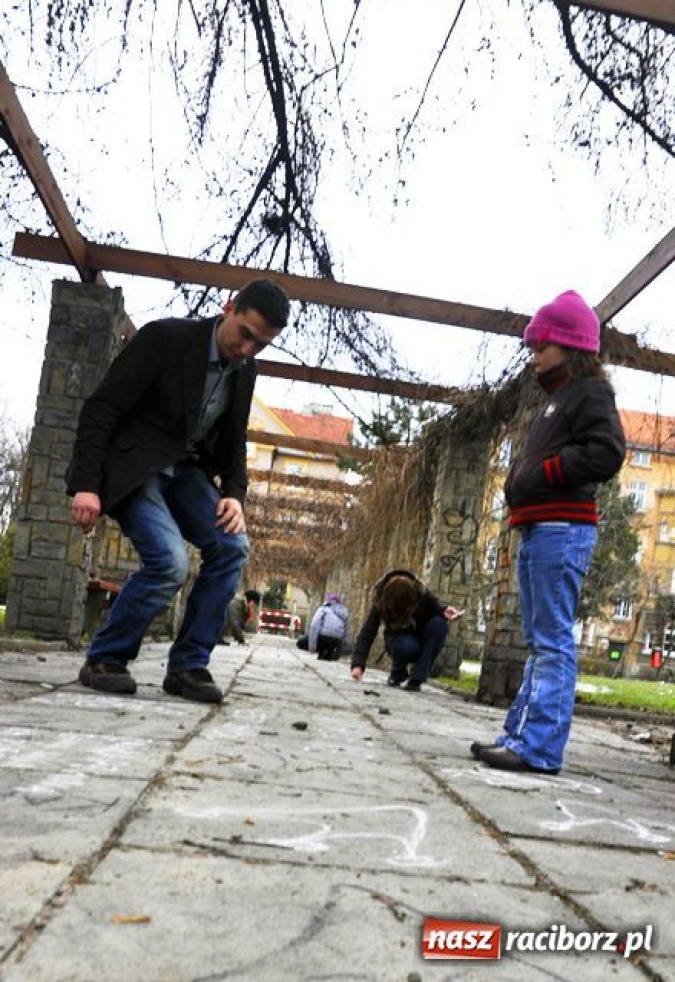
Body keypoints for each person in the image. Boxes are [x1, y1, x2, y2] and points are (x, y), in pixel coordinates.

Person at [67, 278, 290, 704]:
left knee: (233, 546)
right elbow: (102, 409)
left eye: (260, 345)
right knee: (170, 562)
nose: (247, 350)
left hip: (186, 472)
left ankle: (188, 666)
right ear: (229, 307)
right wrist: (86, 486)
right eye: (245, 335)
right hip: (135, 466)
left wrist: (234, 495)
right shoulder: (165, 338)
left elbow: (234, 441)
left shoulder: (246, 371)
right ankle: (105, 657)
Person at [472, 290, 626, 774]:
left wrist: (546, 472)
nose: (534, 357)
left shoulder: (590, 394)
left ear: (569, 345)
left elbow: (608, 452)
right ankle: (521, 735)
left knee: (552, 641)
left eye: (541, 347)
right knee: (541, 639)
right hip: (541, 528)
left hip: (562, 528)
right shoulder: (557, 401)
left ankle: (538, 748)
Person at [350, 569, 463, 691]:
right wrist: (357, 664)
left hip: (420, 636)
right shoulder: (381, 601)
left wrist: (444, 611)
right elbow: (367, 633)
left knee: (439, 624)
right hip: (398, 640)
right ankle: (398, 672)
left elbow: (437, 608)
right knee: (405, 647)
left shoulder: (421, 593)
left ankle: (417, 677)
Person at [296, 593, 350, 661]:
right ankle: (328, 653)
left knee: (300, 643)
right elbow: (345, 632)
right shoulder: (344, 612)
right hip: (336, 641)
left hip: (323, 637)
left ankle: (322, 651)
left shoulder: (323, 609)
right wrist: (340, 651)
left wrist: (312, 647)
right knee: (330, 641)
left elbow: (314, 626)